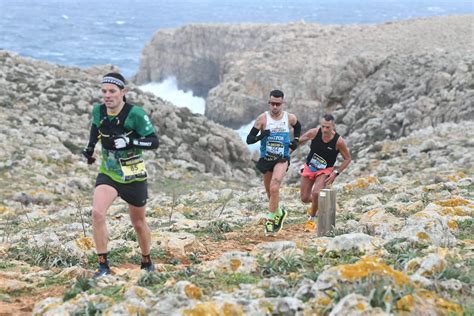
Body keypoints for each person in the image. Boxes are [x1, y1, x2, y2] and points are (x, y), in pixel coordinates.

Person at [81, 73, 159, 277]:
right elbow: (96, 128)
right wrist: (89, 149)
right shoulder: (98, 110)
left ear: (123, 92)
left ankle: (146, 259)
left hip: (133, 175)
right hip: (109, 173)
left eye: (112, 91)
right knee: (97, 213)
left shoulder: (135, 114)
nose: (107, 95)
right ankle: (103, 266)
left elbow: (153, 141)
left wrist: (131, 142)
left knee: (139, 223)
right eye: (104, 91)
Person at [246, 90, 301, 236]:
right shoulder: (262, 119)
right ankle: (279, 212)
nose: (275, 107)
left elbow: (298, 126)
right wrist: (260, 136)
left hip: (282, 158)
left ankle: (270, 221)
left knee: (275, 186)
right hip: (266, 159)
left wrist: (295, 140)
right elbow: (249, 140)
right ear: (269, 103)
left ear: (282, 103)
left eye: (278, 104)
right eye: (272, 104)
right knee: (270, 193)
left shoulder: (289, 118)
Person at [298, 114, 351, 232]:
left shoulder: (339, 141)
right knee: (305, 198)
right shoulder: (314, 133)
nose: (325, 130)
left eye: (328, 127)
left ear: (333, 126)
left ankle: (311, 219)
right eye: (323, 126)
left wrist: (335, 173)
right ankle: (320, 203)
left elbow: (347, 159)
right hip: (310, 167)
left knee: (316, 192)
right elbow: (299, 141)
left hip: (325, 170)